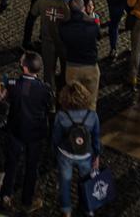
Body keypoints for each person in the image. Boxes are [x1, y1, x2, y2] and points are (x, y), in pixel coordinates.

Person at [0, 51, 52, 213]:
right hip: (35, 133)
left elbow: (5, 97)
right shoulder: (44, 89)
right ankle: (27, 199)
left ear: (24, 67)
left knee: (11, 164)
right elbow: (48, 106)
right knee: (31, 166)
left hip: (16, 130)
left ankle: (6, 195)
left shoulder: (14, 84)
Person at [51, 81, 101, 217]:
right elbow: (96, 138)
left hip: (65, 154)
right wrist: (96, 155)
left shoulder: (61, 116)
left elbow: (56, 137)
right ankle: (88, 208)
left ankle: (66, 211)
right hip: (85, 155)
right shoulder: (92, 116)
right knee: (87, 182)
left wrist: (55, 152)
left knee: (65, 183)